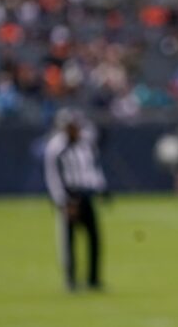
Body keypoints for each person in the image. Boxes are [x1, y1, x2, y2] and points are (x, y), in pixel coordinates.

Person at [44, 109, 108, 291]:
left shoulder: (85, 142)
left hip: (85, 193)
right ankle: (70, 279)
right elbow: (53, 176)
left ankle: (93, 279)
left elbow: (91, 168)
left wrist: (100, 188)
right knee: (68, 240)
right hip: (68, 196)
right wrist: (62, 201)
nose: (76, 130)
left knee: (94, 237)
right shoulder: (56, 147)